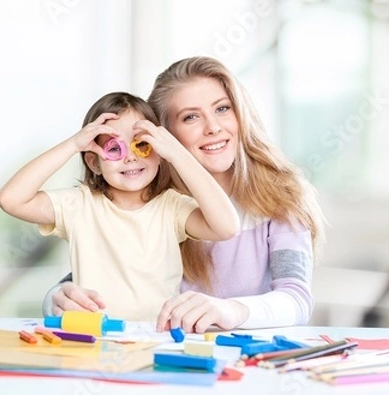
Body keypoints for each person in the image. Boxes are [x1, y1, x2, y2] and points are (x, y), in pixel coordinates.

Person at [42, 56, 326, 333]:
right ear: (162, 135)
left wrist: (230, 310)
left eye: (223, 109)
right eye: (191, 117)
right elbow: (105, 276)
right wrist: (56, 298)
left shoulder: (282, 196)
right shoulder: (158, 203)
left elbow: (296, 300)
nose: (213, 127)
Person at [0, 91, 239, 321]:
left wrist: (177, 153)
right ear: (94, 163)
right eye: (114, 148)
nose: (131, 157)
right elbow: (11, 199)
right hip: (93, 336)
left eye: (141, 145)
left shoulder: (171, 207)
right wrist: (73, 145)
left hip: (157, 336)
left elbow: (227, 227)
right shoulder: (79, 205)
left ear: (159, 152)